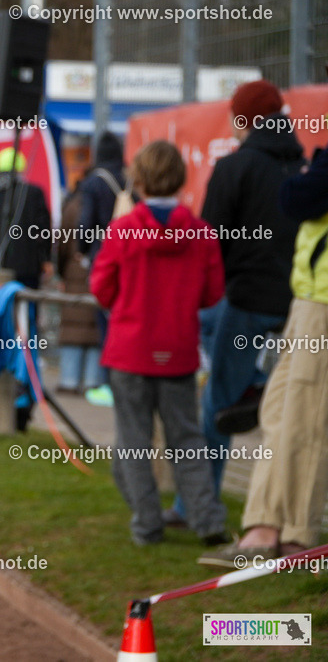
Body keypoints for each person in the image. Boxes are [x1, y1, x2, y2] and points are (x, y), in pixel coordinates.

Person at [166, 79, 304, 528]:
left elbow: (210, 241)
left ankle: (197, 509)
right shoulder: (303, 165)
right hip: (298, 301)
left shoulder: (236, 167)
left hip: (244, 299)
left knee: (217, 409)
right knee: (289, 411)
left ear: (243, 118)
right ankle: (285, 514)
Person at [90, 140, 227, 547]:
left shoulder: (123, 230)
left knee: (132, 444)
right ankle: (208, 521)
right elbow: (212, 294)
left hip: (129, 350)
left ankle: (147, 523)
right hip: (179, 351)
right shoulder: (201, 233)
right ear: (181, 179)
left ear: (139, 180)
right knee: (188, 441)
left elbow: (101, 288)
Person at [199, 146, 328, 568]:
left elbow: (298, 198)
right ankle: (264, 527)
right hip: (305, 296)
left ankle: (295, 536)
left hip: (320, 302)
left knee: (304, 421)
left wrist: (317, 169)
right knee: (277, 413)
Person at [76, 132, 128, 407]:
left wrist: (82, 250)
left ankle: (110, 384)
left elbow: (86, 223)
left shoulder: (94, 182)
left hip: (104, 257)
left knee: (106, 324)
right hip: (131, 259)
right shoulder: (129, 178)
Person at [0, 148, 51, 290]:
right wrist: (46, 259)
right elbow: (44, 230)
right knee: (28, 308)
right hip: (28, 267)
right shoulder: (34, 193)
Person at [55, 178, 102, 394]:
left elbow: (62, 245)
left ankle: (70, 379)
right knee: (94, 327)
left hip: (74, 271)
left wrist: (60, 272)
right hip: (99, 271)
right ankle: (94, 381)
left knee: (73, 323)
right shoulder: (109, 202)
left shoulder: (72, 207)